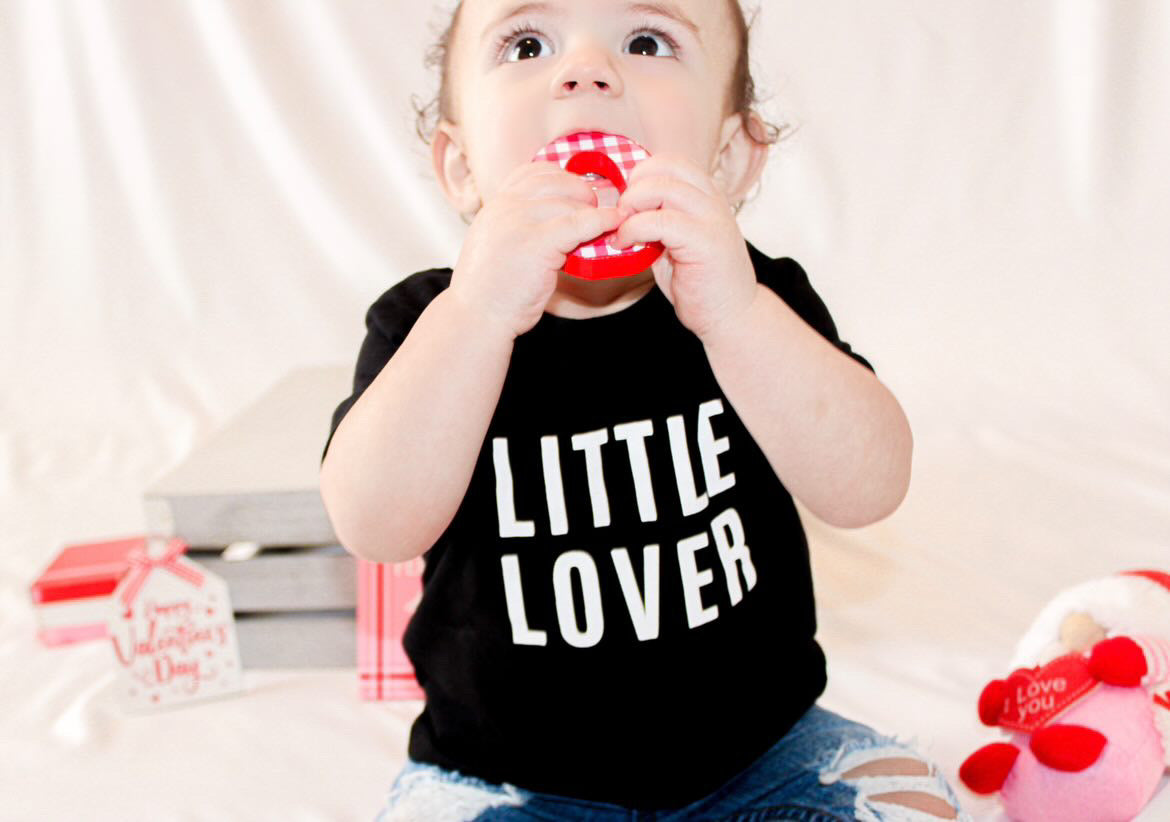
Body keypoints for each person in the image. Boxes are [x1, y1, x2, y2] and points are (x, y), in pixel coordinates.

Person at [319, 1, 969, 819]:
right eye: (527, 43)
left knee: (909, 802)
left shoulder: (755, 302)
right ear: (462, 167)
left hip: (758, 752)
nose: (586, 72)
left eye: (647, 40)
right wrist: (477, 313)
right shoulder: (426, 326)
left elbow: (868, 488)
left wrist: (736, 316)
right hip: (505, 776)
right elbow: (374, 526)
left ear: (728, 159)